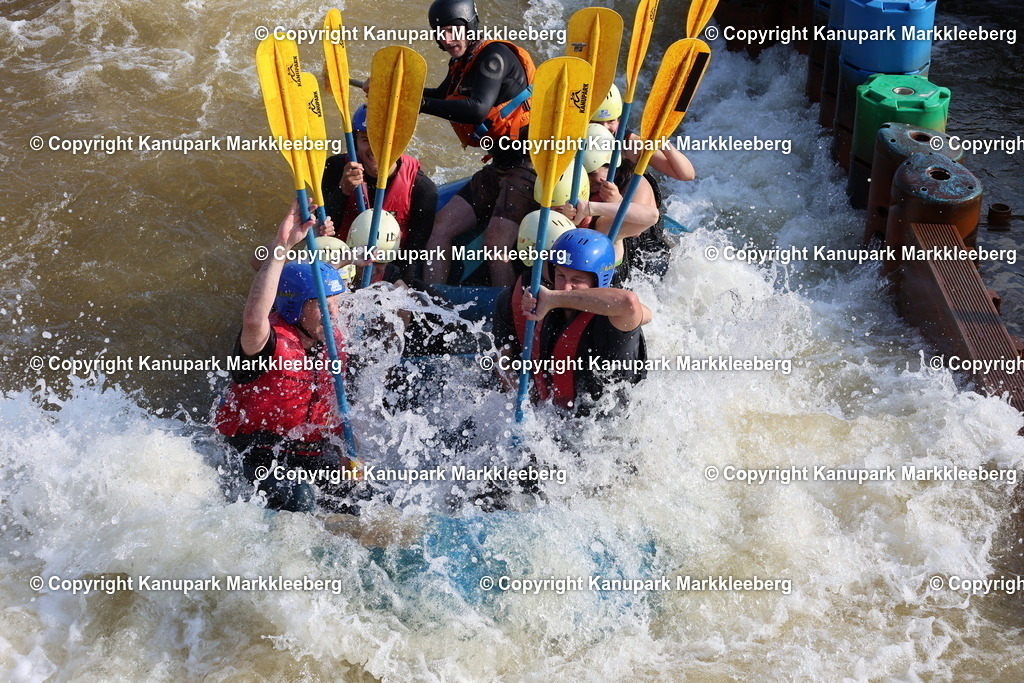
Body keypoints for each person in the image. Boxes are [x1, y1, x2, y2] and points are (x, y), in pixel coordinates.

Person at [216, 200, 362, 514]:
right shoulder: (265, 342)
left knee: (363, 498)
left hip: (309, 453)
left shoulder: (333, 342)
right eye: (322, 304)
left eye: (336, 303)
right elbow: (253, 318)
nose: (334, 313)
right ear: (295, 306)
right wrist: (282, 245)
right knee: (301, 499)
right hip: (256, 453)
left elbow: (338, 409)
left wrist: (348, 454)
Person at [390, 0, 537, 288]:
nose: (447, 39)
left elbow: (477, 109)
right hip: (500, 165)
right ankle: (433, 300)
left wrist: (414, 104)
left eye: (453, 30)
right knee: (440, 226)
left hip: (528, 165)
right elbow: (440, 97)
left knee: (496, 244)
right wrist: (395, 92)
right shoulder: (461, 63)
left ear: (469, 26)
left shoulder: (494, 57)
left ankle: (504, 312)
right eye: (441, 33)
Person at [493, 228, 652, 416]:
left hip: (608, 422)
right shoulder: (526, 299)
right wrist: (526, 404)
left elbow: (629, 303)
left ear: (598, 280)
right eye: (560, 276)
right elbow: (503, 359)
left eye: (577, 279)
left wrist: (553, 298)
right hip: (552, 413)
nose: (566, 286)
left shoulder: (612, 317)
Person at [322, 104, 437, 284]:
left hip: (388, 271)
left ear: (399, 143)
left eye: (384, 140)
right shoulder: (336, 169)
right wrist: (343, 191)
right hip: (341, 264)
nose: (376, 148)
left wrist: (402, 285)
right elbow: (324, 231)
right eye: (366, 139)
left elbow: (413, 253)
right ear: (355, 142)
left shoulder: (423, 189)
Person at [591, 84, 696, 278]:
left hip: (637, 233)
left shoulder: (626, 143)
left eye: (610, 121)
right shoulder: (574, 141)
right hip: (601, 221)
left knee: (638, 181)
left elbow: (686, 174)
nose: (605, 128)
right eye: (596, 122)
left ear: (619, 120)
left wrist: (662, 142)